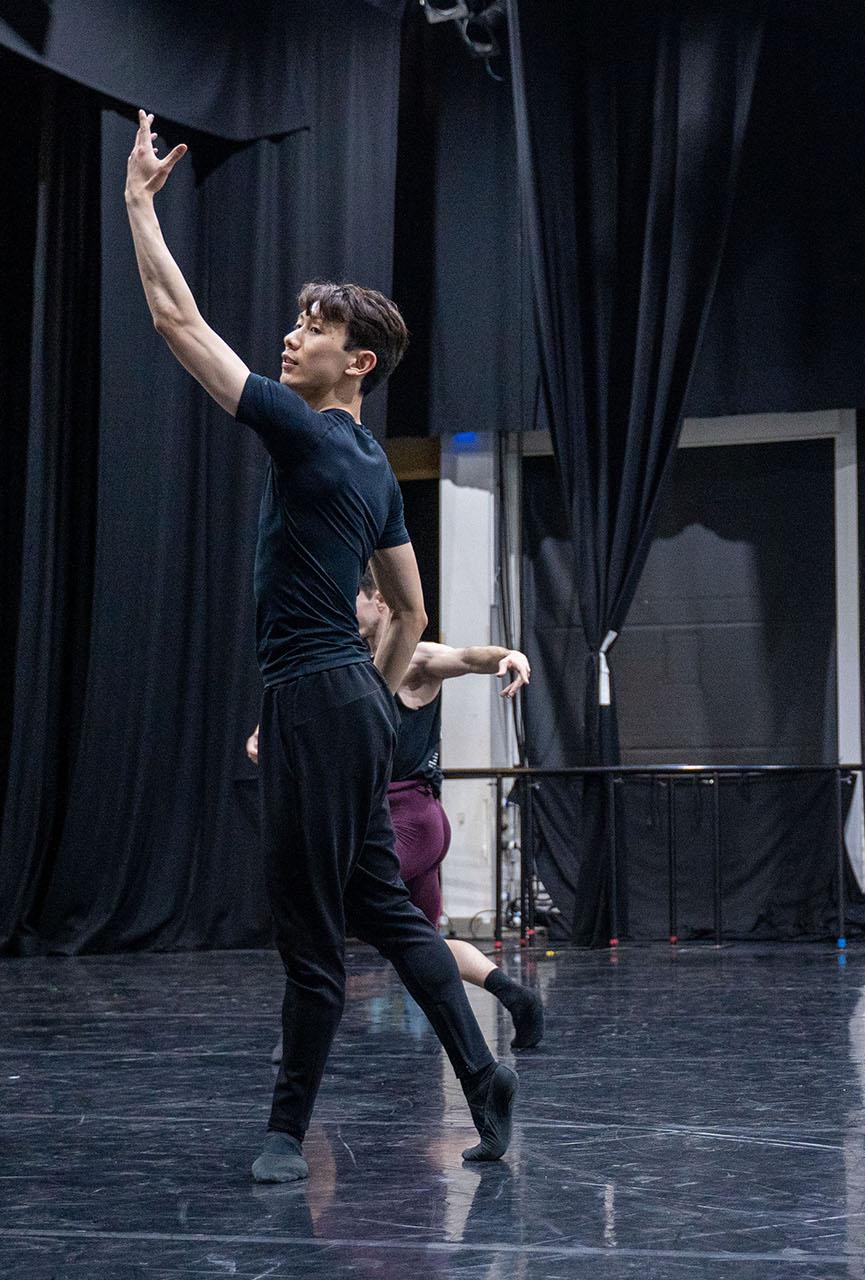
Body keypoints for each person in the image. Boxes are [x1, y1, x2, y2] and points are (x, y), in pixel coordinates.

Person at [124, 111, 516, 1182]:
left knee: (312, 932)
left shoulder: (305, 430)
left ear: (361, 360)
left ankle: (286, 1131)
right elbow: (413, 610)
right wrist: (380, 706)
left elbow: (176, 321)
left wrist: (138, 205)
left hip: (314, 697)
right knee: (380, 909)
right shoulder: (378, 467)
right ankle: (485, 1077)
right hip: (341, 700)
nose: (291, 335)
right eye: (294, 321)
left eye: (312, 326)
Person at [248, 571, 546, 1051]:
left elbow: (469, 657)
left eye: (353, 600)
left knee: (328, 898)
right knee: (423, 946)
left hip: (411, 821)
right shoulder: (352, 665)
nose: (345, 612)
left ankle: (303, 1035)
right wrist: (269, 737)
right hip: (379, 820)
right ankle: (516, 997)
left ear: (380, 600)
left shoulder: (417, 660)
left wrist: (506, 655)